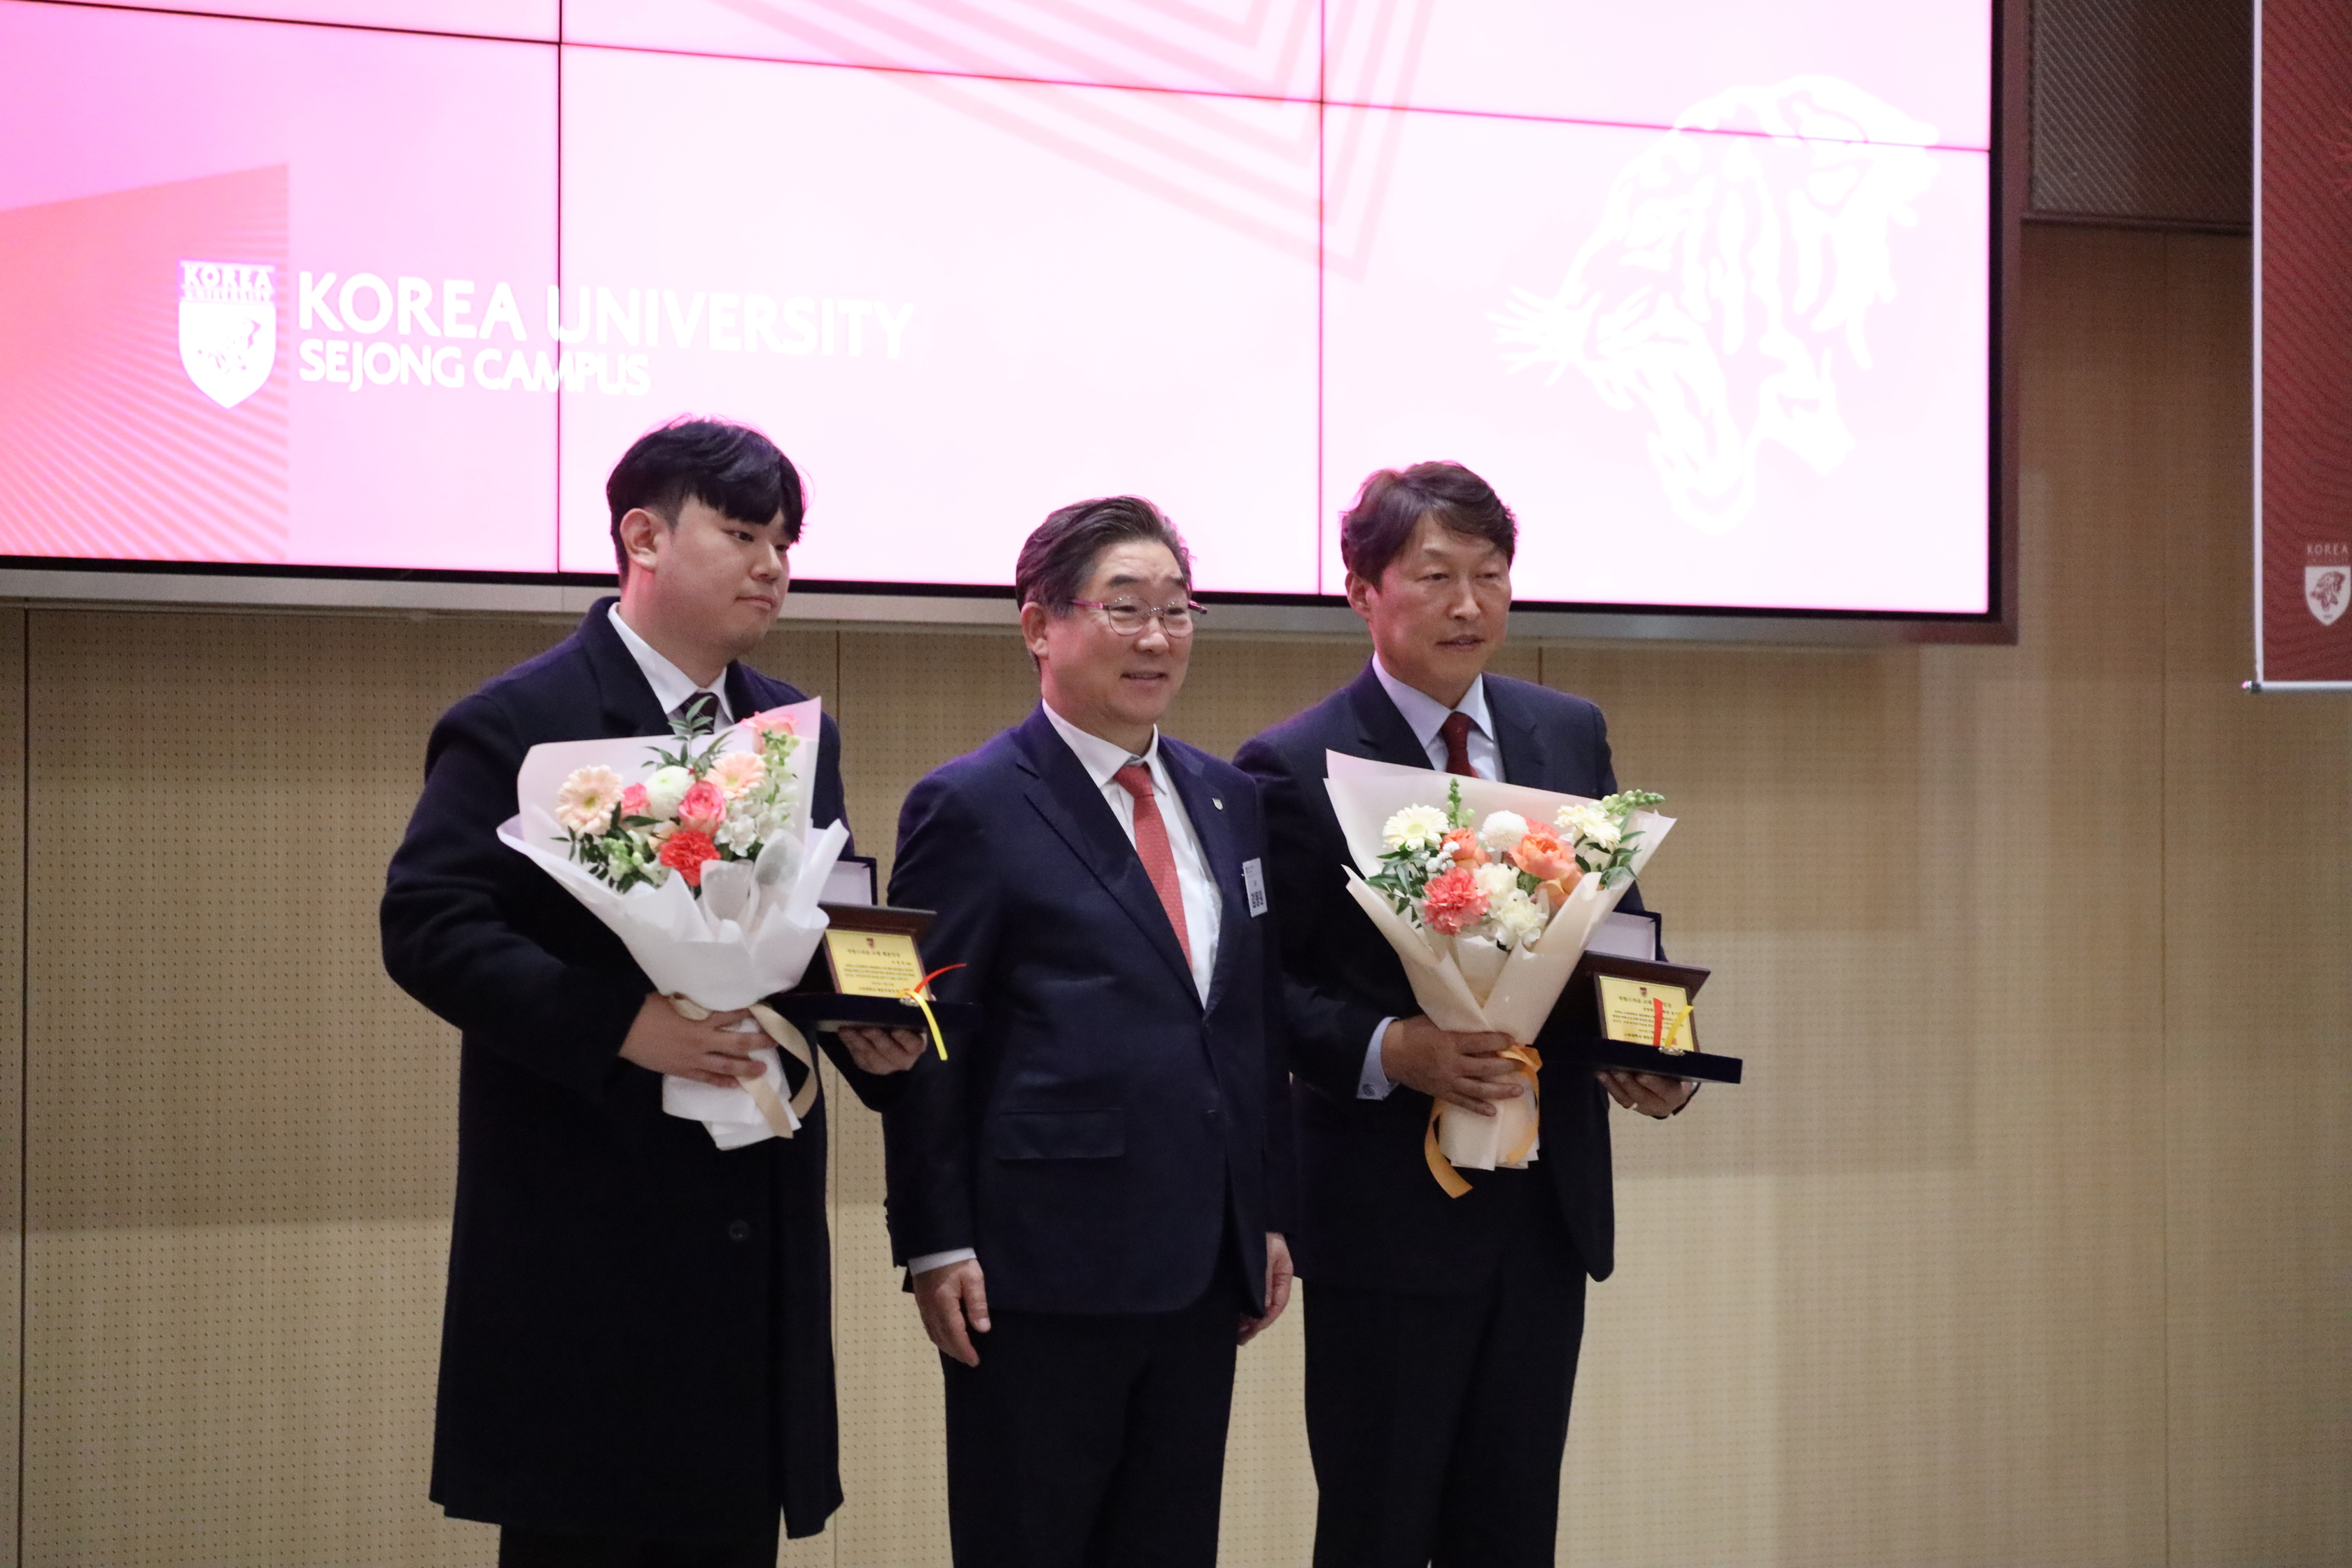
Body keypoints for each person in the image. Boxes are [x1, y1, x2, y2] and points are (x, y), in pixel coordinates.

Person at [380, 417, 926, 1567]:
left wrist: (878, 1019)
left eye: (785, 542)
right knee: (587, 1525)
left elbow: (816, 911)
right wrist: (621, 1025)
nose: (772, 565)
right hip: (591, 1218)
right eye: (743, 535)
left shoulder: (791, 730)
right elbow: (429, 926)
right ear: (643, 536)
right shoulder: (522, 721)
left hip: (754, 1212)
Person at [1233, 461, 1698, 1568]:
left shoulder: (1567, 731)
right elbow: (1262, 991)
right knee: (1380, 1527)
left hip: (1543, 1210)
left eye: (1490, 576)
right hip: (1385, 1219)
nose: (1469, 604)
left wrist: (1654, 1047)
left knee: (1513, 1529)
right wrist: (1391, 1048)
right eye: (1436, 576)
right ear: (1363, 592)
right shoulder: (1293, 764)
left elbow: (1616, 923)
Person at [880, 496, 1296, 1568]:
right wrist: (936, 1239)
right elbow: (931, 1044)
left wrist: (1264, 1211)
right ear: (1040, 625)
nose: (1157, 637)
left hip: (1201, 1261)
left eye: (1177, 609)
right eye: (1125, 608)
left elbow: (1248, 1021)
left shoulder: (1228, 798)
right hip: (1038, 1268)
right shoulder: (972, 804)